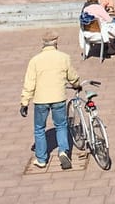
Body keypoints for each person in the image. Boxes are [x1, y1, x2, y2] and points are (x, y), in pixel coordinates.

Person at [19, 32, 81, 170]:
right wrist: (77, 84)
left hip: (41, 99)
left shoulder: (35, 60)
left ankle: (41, 159)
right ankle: (64, 151)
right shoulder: (64, 57)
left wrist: (24, 102)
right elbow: (72, 76)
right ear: (56, 42)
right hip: (58, 97)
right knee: (61, 125)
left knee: (39, 128)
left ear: (43, 43)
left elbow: (29, 82)